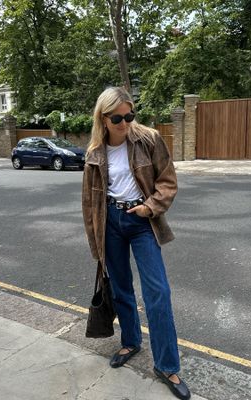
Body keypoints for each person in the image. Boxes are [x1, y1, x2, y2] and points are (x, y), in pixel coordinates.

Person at [82, 86, 191, 400]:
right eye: (117, 118)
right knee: (121, 287)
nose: (125, 122)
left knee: (158, 292)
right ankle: (131, 341)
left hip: (141, 220)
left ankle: (167, 365)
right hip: (110, 223)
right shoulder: (94, 153)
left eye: (129, 115)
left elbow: (168, 180)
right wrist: (96, 243)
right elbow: (89, 203)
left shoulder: (149, 140)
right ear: (103, 119)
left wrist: (150, 207)